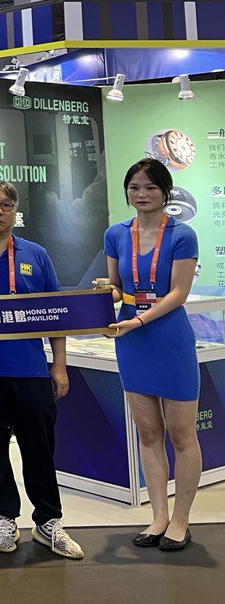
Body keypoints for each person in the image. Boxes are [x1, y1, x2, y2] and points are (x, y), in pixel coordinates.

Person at [0, 180, 83, 560]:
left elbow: (56, 314)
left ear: (16, 212)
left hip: (31, 370)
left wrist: (59, 366)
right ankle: (4, 517)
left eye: (6, 205)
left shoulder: (36, 254)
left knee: (40, 449)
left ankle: (48, 521)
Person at [104, 158, 201, 551]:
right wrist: (105, 292)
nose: (141, 194)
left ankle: (181, 520)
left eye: (150, 187)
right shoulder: (115, 233)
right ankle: (159, 516)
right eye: (134, 187)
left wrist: (140, 320)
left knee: (182, 434)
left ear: (165, 192)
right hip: (132, 340)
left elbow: (179, 293)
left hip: (168, 337)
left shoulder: (183, 234)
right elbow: (117, 287)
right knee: (148, 432)